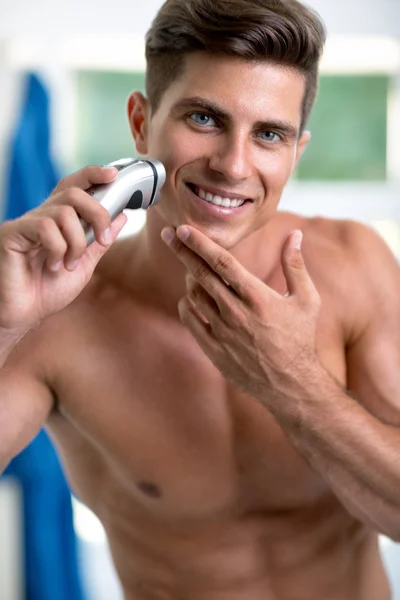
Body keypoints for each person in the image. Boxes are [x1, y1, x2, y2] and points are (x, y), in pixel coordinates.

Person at [0, 0, 399, 597]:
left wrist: (293, 383)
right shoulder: (59, 320)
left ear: (296, 152)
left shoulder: (354, 267)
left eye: (269, 134)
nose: (233, 165)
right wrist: (3, 325)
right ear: (140, 122)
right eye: (205, 119)